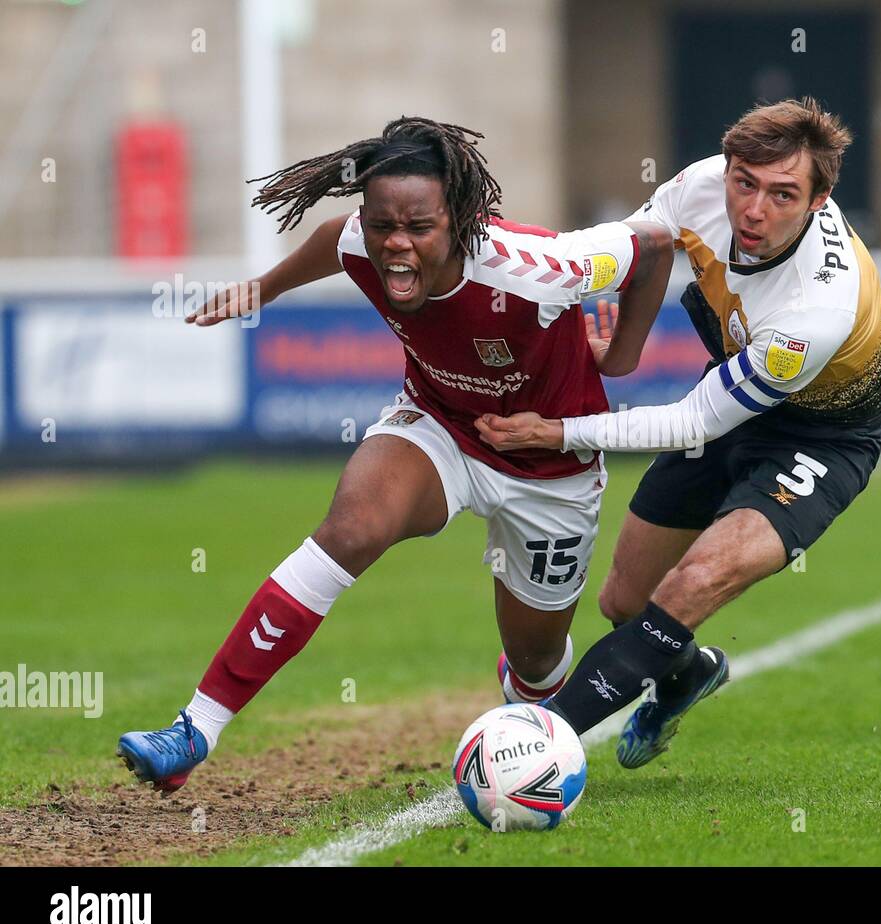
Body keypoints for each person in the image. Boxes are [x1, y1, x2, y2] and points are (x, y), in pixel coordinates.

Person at [116, 117, 673, 792]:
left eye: (418, 228)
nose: (396, 246)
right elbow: (333, 242)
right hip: (440, 427)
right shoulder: (359, 242)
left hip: (550, 468)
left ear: (460, 219)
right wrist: (264, 288)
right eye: (382, 227)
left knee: (536, 661)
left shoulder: (542, 269)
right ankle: (194, 729)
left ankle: (527, 688)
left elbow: (652, 244)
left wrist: (619, 358)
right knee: (352, 528)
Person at [476, 97, 881, 767]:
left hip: (818, 439)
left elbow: (693, 418)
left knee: (692, 583)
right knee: (625, 602)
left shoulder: (816, 310)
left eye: (783, 194)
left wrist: (560, 433)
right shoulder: (702, 184)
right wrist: (512, 267)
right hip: (733, 392)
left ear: (818, 202)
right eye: (744, 183)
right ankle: (689, 675)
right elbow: (628, 246)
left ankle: (537, 745)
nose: (754, 209)